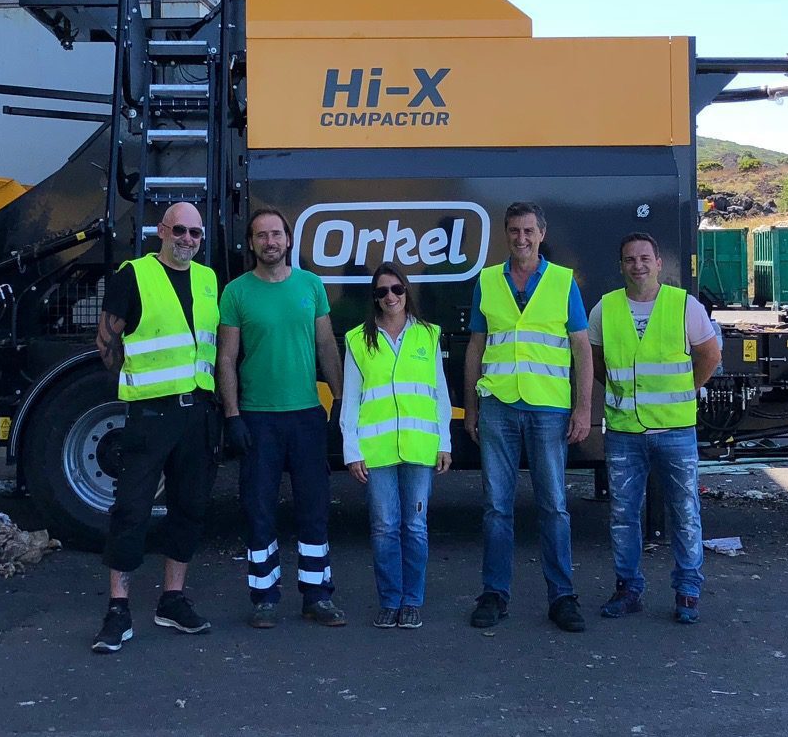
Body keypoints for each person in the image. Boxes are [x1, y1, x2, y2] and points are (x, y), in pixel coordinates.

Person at [89, 202, 217, 654]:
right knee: (131, 509)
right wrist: (130, 387)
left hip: (197, 412)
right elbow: (108, 341)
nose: (187, 240)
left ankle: (172, 600)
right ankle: (118, 610)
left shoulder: (208, 279)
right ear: (162, 230)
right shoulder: (134, 274)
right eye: (179, 230)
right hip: (151, 413)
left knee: (190, 508)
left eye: (195, 234)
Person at [462, 201, 594, 632]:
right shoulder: (486, 281)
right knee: (496, 508)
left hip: (548, 408)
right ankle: (494, 594)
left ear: (542, 234)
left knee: (554, 506)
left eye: (529, 231)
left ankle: (562, 597)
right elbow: (476, 348)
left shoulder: (562, 282)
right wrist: (471, 406)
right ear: (506, 233)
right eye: (515, 231)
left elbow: (581, 348)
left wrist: (583, 407)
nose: (522, 238)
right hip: (498, 405)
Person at [216, 207, 347, 629]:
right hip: (258, 419)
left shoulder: (311, 286)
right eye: (261, 236)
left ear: (288, 240)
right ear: (251, 244)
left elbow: (327, 346)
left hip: (307, 415)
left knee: (314, 509)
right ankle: (264, 598)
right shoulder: (236, 293)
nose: (270, 242)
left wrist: (341, 400)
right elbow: (226, 358)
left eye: (276, 234)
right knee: (259, 510)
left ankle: (317, 597)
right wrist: (233, 415)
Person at [589, 233, 722, 624]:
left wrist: (685, 391)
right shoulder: (605, 309)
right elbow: (595, 362)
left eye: (645, 258)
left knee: (685, 511)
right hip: (624, 431)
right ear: (621, 266)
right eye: (630, 259)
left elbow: (709, 355)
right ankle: (628, 588)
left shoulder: (685, 306)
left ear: (659, 263)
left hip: (675, 430)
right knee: (623, 514)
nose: (638, 265)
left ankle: (687, 592)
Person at [341, 263, 452, 628]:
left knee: (415, 527)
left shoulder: (429, 335)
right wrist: (351, 449)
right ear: (373, 297)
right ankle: (390, 600)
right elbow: (350, 401)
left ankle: (412, 601)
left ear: (407, 292)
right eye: (381, 291)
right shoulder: (358, 339)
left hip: (420, 448)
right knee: (385, 527)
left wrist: (445, 442)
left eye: (396, 289)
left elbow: (440, 394)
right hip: (377, 450)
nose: (390, 297)